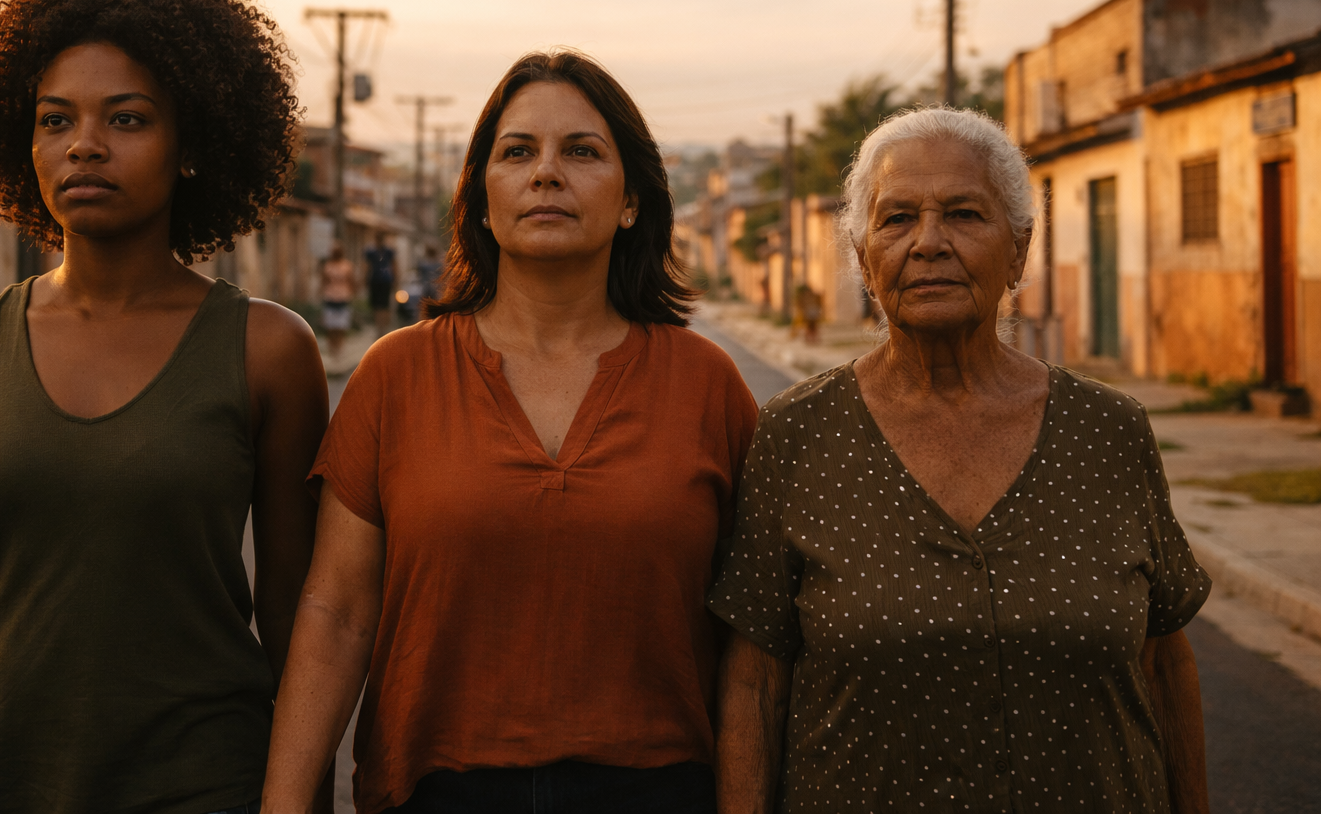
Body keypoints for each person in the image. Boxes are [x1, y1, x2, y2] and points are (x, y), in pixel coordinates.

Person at [0, 0, 333, 814]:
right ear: (24, 144)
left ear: (192, 145)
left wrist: (296, 799)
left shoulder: (269, 350)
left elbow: (299, 617)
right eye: (55, 120)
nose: (85, 143)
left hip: (201, 787)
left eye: (128, 118)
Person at [262, 50, 759, 814]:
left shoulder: (707, 384)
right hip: (434, 789)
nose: (547, 173)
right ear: (482, 200)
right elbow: (337, 611)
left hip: (660, 791)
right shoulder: (396, 374)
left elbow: (749, 647)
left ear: (631, 201)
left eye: (583, 152)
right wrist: (286, 804)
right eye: (518, 151)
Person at [708, 108, 1211, 813]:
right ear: (862, 258)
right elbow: (754, 681)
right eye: (896, 220)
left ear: (1019, 250)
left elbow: (1163, 659)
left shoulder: (1109, 432)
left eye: (965, 214)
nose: (929, 243)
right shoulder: (797, 435)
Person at [320, 242, 357, 358]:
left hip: (343, 298)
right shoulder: (328, 266)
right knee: (330, 325)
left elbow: (351, 281)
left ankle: (339, 348)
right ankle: (332, 348)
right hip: (330, 297)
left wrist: (352, 294)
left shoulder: (347, 266)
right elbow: (324, 281)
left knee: (341, 325)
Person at [363, 232, 397, 333]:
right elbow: (367, 266)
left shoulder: (387, 251)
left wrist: (395, 278)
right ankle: (380, 327)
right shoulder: (372, 251)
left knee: (381, 305)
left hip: (382, 279)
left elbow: (394, 265)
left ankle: (382, 327)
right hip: (379, 279)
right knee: (380, 305)